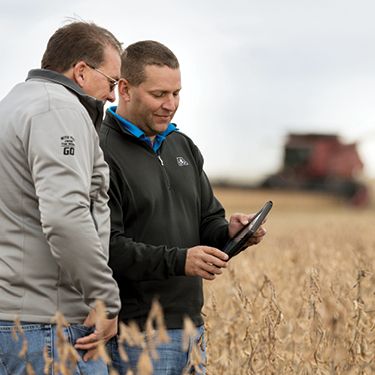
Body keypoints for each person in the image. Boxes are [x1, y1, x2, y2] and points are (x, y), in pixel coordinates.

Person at [99, 40, 266, 374]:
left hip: (192, 329)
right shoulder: (101, 149)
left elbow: (208, 222)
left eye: (176, 93)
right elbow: (105, 247)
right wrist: (181, 260)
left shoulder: (183, 146)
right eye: (159, 94)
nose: (170, 105)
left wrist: (232, 234)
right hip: (136, 334)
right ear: (125, 89)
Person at [0, 21, 123, 374]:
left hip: (12, 319)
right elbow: (65, 216)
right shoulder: (59, 111)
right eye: (111, 82)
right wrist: (104, 299)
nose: (113, 96)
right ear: (81, 71)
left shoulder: (12, 104)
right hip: (49, 328)